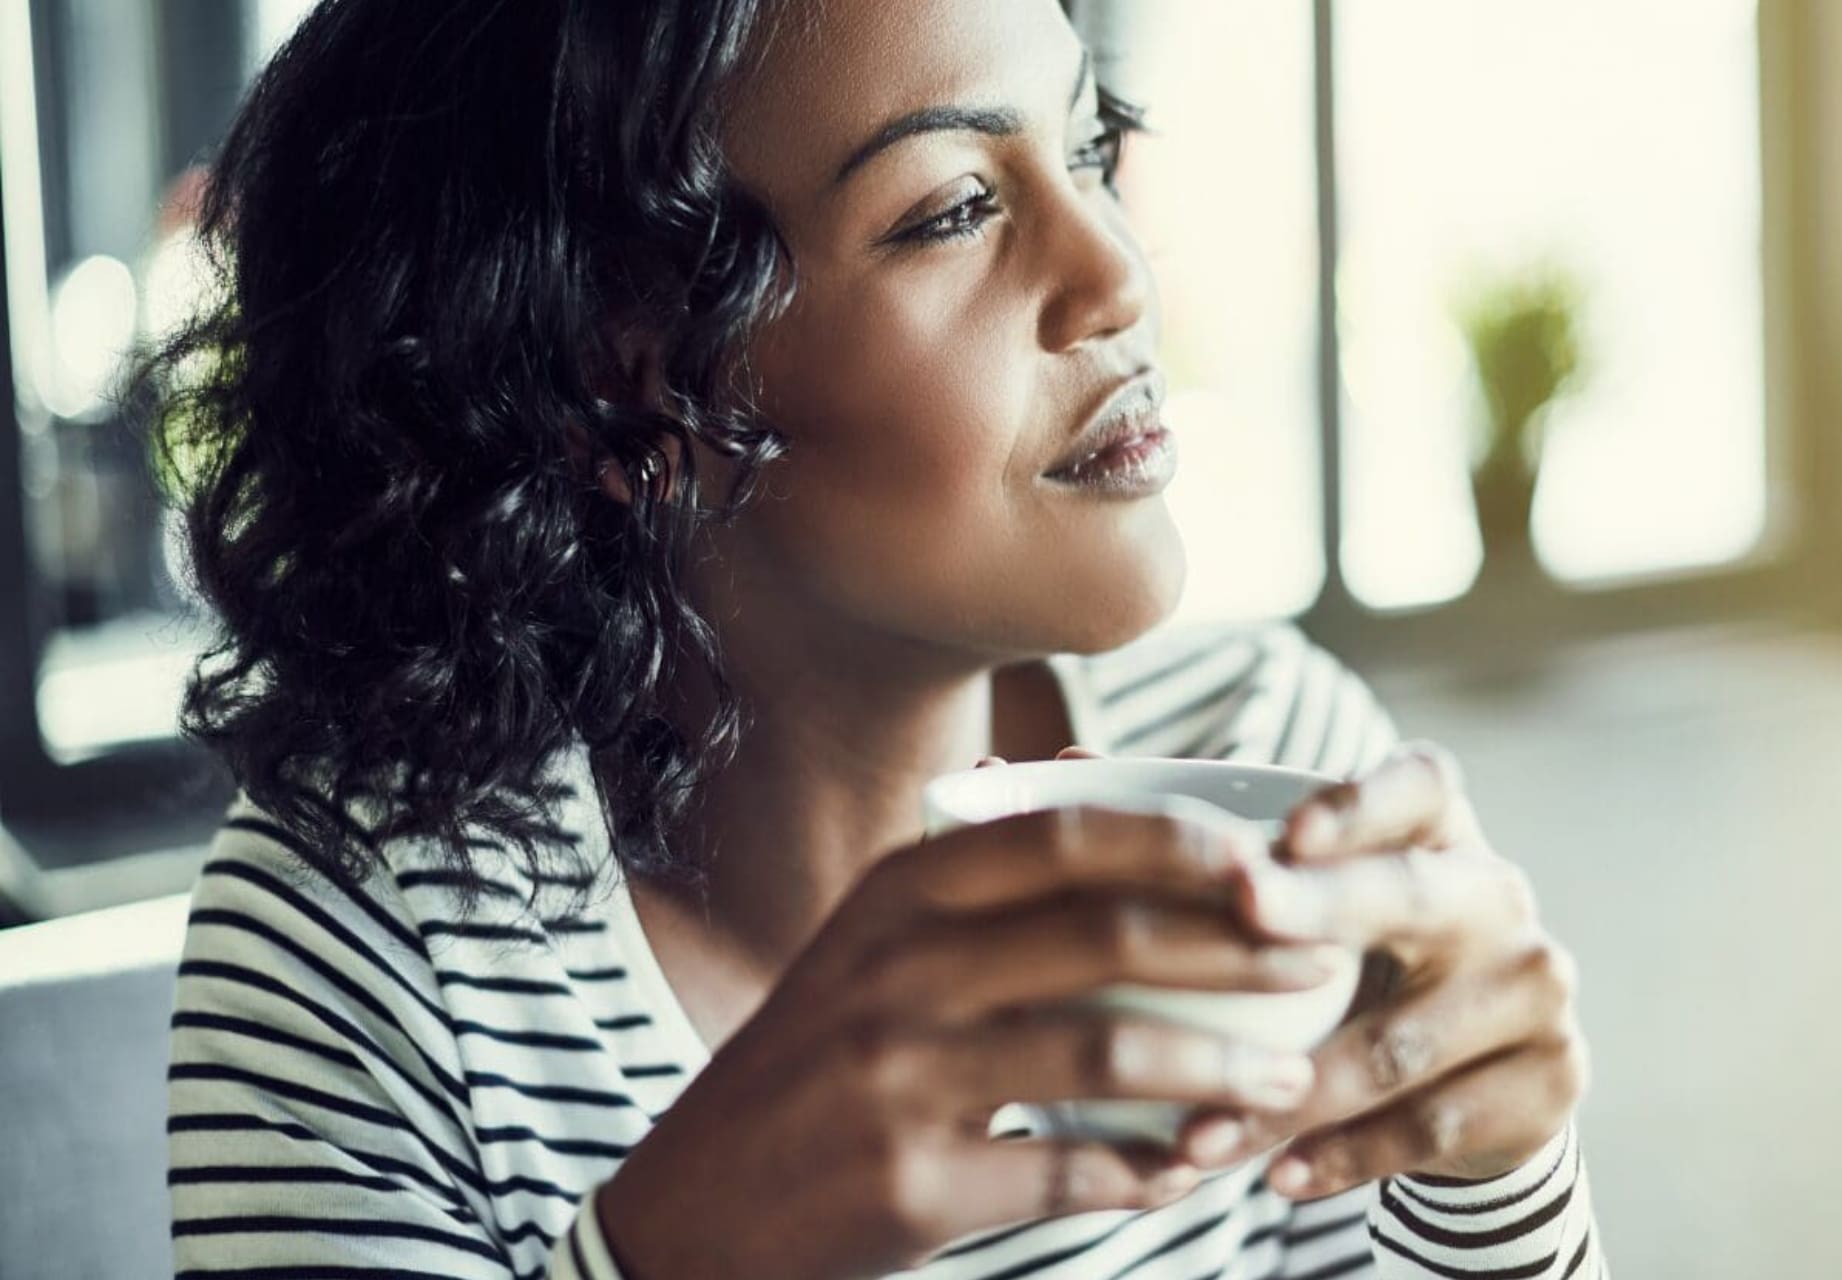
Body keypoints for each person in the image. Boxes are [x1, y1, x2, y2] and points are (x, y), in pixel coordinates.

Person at [148, 1, 1606, 1276]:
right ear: (620, 388)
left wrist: (1496, 1189)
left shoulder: (1267, 760)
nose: (1117, 276)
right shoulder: (365, 948)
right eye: (956, 208)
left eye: (1088, 148)